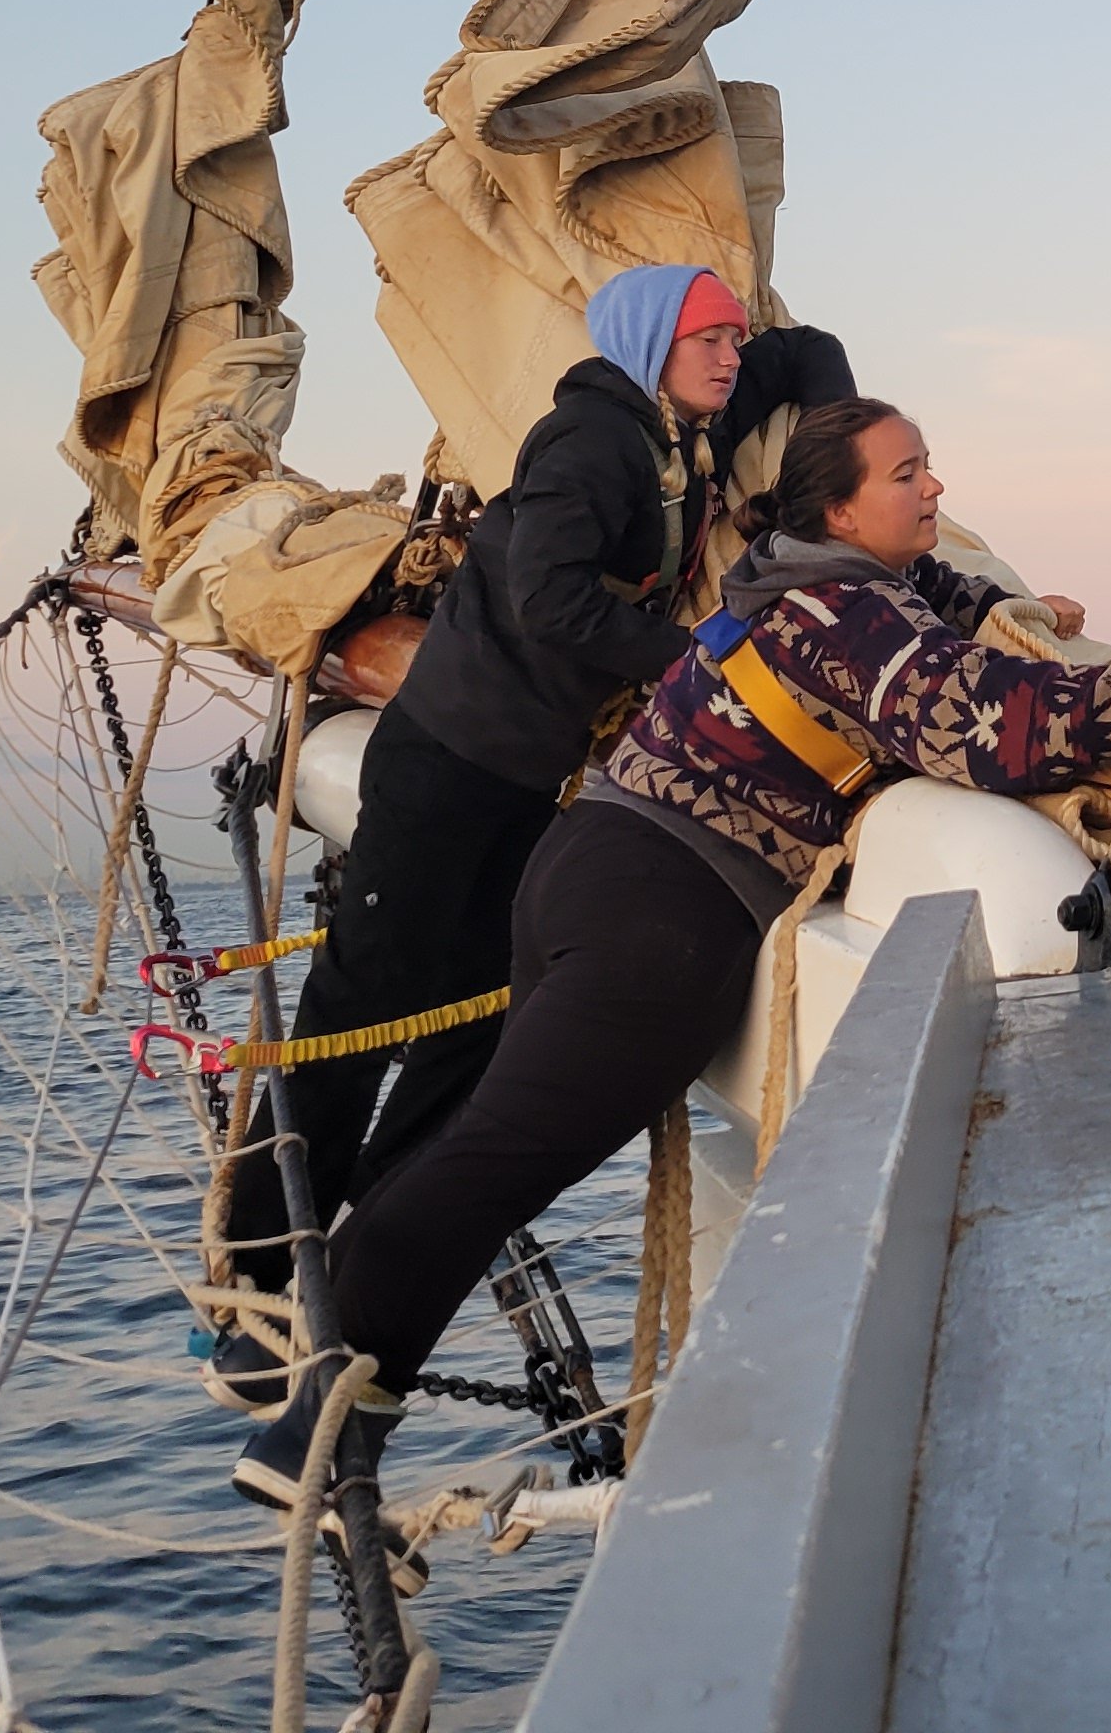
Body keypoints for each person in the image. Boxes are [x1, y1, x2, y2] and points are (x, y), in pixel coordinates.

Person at [228, 395, 1111, 1516]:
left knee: (479, 1131)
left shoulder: (789, 574)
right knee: (504, 1159)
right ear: (841, 507)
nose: (935, 489)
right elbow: (1001, 730)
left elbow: (937, 600)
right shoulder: (848, 621)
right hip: (660, 916)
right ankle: (322, 1429)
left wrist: (1001, 602)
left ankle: (333, 1351)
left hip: (589, 865)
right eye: (908, 473)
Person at [211, 263, 852, 1399]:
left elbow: (795, 368)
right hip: (447, 775)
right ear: (653, 342)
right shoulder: (592, 445)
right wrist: (688, 655)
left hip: (518, 786)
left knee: (471, 1037)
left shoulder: (675, 443)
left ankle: (361, 1268)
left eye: (733, 338)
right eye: (707, 338)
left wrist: (810, 379)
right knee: (355, 1020)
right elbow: (553, 599)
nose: (728, 357)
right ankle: (259, 1276)